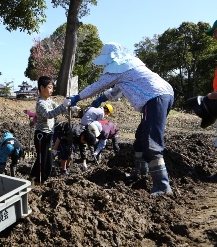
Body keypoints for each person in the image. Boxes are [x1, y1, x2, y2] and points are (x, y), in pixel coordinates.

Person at [70, 42, 174, 196]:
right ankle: (140, 174)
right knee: (140, 138)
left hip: (155, 98)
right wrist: (101, 99)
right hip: (162, 96)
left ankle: (162, 185)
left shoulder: (118, 67)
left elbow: (98, 85)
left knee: (151, 141)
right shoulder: (129, 67)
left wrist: (77, 97)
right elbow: (117, 90)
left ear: (111, 58)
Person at [30, 75, 71, 184]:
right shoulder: (40, 103)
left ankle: (33, 178)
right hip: (41, 135)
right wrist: (63, 106)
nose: (51, 90)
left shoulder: (49, 100)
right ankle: (39, 180)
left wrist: (69, 107)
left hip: (48, 135)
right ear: (41, 88)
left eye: (52, 87)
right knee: (46, 161)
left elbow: (58, 107)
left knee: (43, 158)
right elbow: (49, 114)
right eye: (49, 87)